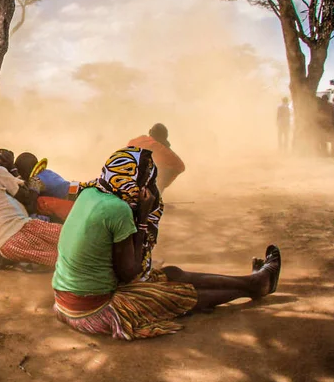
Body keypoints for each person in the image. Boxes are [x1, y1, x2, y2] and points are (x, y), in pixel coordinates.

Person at [51, 147, 282, 341]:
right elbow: (130, 274)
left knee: (172, 273)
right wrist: (141, 219)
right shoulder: (118, 209)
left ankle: (251, 281)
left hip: (66, 300)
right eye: (147, 180)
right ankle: (256, 286)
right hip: (92, 310)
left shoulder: (90, 193)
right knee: (177, 294)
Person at [0, 149, 62, 269]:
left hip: (6, 248)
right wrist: (33, 184)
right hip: (19, 231)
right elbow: (27, 198)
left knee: (58, 258)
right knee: (69, 235)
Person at [14, 152, 76, 222]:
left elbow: (31, 204)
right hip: (75, 190)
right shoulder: (48, 172)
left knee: (39, 201)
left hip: (70, 200)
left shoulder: (35, 180)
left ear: (24, 171)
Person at [127, 123, 185, 192]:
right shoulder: (158, 147)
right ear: (162, 138)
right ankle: (154, 195)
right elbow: (181, 166)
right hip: (140, 187)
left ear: (150, 131)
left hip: (122, 179)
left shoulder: (134, 141)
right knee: (164, 169)